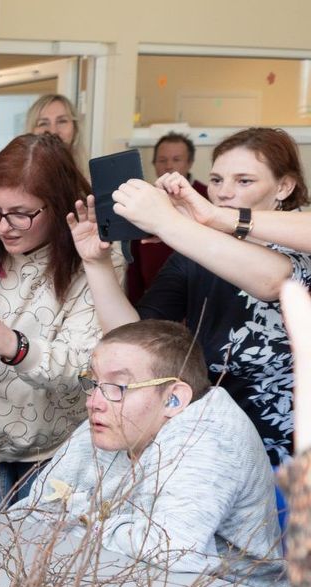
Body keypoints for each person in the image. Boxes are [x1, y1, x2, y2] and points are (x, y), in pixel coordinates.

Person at [67, 126, 311, 466]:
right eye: (216, 180)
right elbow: (133, 338)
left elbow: (272, 279)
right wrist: (96, 263)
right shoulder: (192, 255)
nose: (224, 193)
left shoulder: (301, 248)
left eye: (244, 181)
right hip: (213, 443)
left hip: (290, 453)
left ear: (284, 187)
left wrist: (170, 223)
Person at [0, 133, 124, 510]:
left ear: (60, 207)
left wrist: (14, 346)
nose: (3, 226)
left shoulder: (95, 257)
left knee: (41, 560)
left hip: (56, 442)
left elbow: (86, 369)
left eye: (21, 214)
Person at [14, 320, 280, 579]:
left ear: (173, 399)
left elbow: (172, 551)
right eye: (93, 383)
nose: (94, 402)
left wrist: (83, 521)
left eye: (118, 387)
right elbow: (28, 515)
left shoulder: (210, 438)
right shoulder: (106, 421)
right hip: (117, 577)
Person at [126, 132, 211, 302]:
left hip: (194, 295)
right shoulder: (142, 198)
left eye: (176, 159)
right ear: (154, 164)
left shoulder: (207, 199)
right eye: (162, 160)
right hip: (152, 295)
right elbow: (134, 260)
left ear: (189, 163)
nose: (169, 166)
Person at [25, 94, 85, 171]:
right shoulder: (19, 179)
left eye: (62, 121)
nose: (53, 131)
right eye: (43, 123)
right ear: (31, 132)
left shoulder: (92, 177)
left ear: (75, 129)